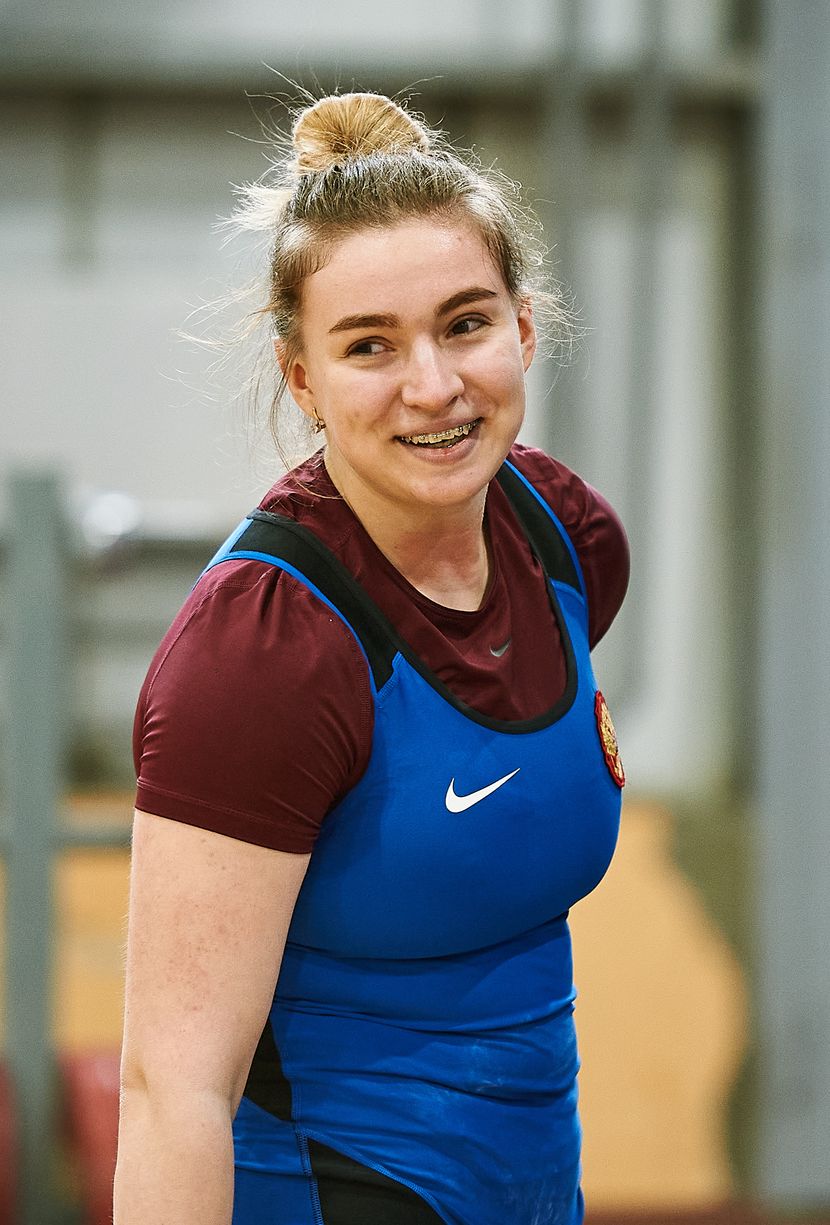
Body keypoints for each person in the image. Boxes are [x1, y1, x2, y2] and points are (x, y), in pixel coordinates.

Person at [114, 91, 629, 1225]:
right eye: (368, 346)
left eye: (464, 324)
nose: (433, 386)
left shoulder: (564, 535)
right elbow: (170, 1089)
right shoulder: (265, 658)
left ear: (523, 328)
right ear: (302, 378)